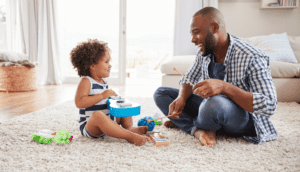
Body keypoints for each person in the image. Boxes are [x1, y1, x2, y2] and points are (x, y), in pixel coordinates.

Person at [153, 7, 277, 147]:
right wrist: (181, 98)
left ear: (214, 28)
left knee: (214, 103)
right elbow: (188, 79)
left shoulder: (253, 56)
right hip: (208, 107)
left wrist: (224, 87)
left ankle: (194, 122)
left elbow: (270, 105)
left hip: (239, 116)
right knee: (161, 93)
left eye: (196, 32)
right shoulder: (205, 51)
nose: (193, 39)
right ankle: (198, 130)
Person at [71, 39, 150, 146]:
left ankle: (129, 128)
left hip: (108, 121)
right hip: (91, 126)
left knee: (123, 105)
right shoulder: (86, 81)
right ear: (92, 66)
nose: (110, 65)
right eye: (106, 62)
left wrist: (114, 100)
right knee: (98, 115)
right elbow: (79, 102)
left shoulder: (104, 81)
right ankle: (128, 136)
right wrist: (102, 95)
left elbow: (106, 102)